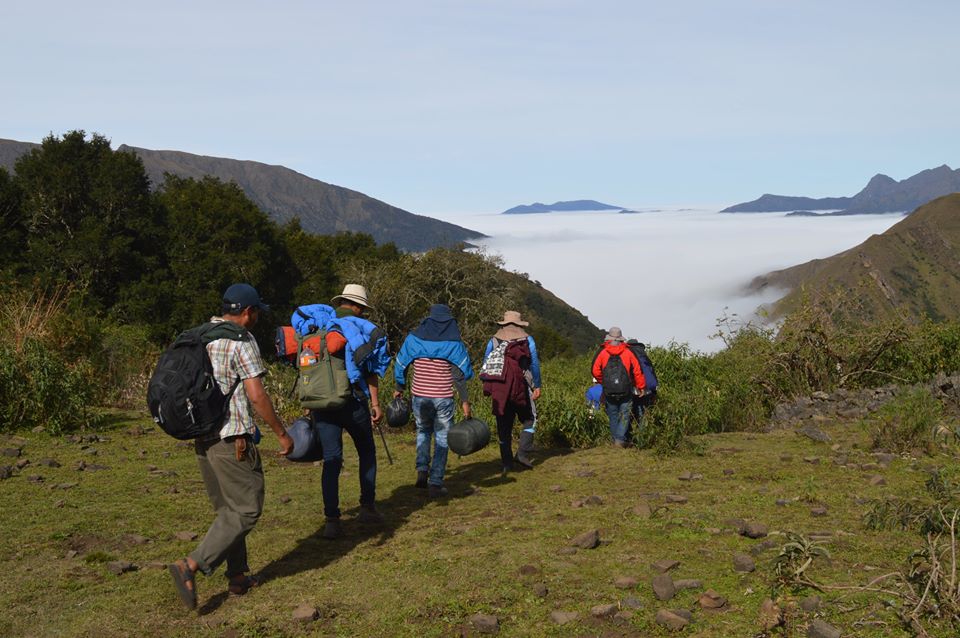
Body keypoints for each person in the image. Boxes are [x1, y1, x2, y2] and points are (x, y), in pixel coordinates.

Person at [168, 283, 295, 610]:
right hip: (233, 438)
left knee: (228, 510)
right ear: (248, 312)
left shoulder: (199, 335)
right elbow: (256, 395)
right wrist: (282, 433)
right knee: (246, 508)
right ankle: (191, 565)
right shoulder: (242, 340)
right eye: (256, 313)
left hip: (203, 437)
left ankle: (238, 576)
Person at [296, 284, 391, 540]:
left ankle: (332, 520)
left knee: (332, 460)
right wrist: (375, 403)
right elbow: (369, 369)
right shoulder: (357, 328)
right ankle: (367, 507)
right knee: (367, 451)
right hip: (353, 400)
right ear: (358, 306)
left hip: (322, 403)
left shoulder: (318, 327)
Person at [393, 304, 474, 498]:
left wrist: (399, 388)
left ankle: (422, 470)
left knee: (423, 431)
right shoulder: (454, 344)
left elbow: (402, 364)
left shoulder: (414, 340)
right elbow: (459, 376)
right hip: (443, 397)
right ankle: (436, 482)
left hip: (419, 396)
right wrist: (465, 401)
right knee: (442, 437)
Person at [480, 310, 542, 473]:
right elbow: (534, 364)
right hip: (522, 385)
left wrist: (487, 384)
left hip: (500, 387)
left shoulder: (493, 340)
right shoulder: (528, 340)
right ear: (519, 325)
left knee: (503, 424)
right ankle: (522, 453)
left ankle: (507, 463)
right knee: (530, 419)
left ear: (504, 324)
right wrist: (537, 385)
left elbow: (486, 364)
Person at [591, 327, 646, 447]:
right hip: (626, 390)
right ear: (621, 338)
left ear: (609, 338)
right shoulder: (628, 352)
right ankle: (620, 440)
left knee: (613, 414)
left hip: (609, 390)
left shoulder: (602, 352)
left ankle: (616, 439)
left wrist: (603, 382)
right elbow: (637, 371)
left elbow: (595, 371)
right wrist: (641, 386)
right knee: (625, 414)